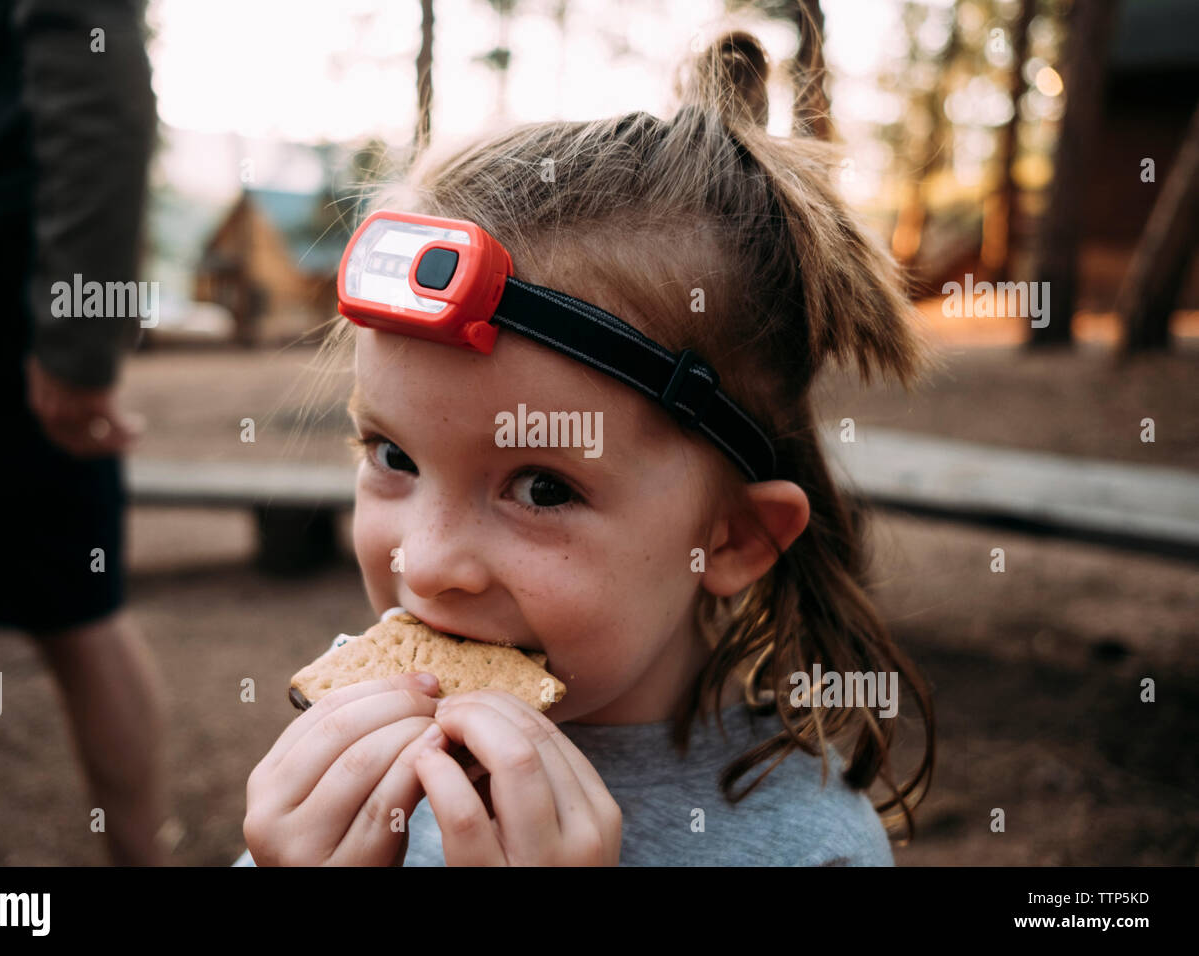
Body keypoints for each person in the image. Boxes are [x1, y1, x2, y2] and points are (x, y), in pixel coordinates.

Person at [239, 29, 937, 866]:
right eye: (394, 457)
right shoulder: (345, 799)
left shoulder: (811, 849)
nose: (424, 565)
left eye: (540, 489)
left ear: (732, 539)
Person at [0, 0, 169, 865]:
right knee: (76, 605)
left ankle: (142, 856)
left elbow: (102, 89)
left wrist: (78, 341)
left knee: (79, 606)